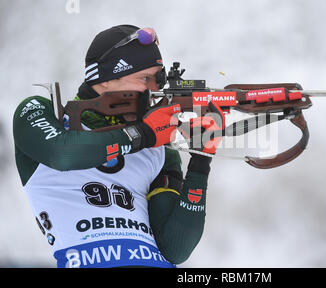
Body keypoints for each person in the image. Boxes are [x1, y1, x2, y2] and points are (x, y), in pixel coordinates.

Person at [13, 25, 224, 268]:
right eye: (144, 78)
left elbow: (175, 249)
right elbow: (63, 154)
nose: (153, 90)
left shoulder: (157, 148)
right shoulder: (45, 113)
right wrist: (141, 134)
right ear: (104, 80)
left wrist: (200, 162)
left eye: (157, 80)